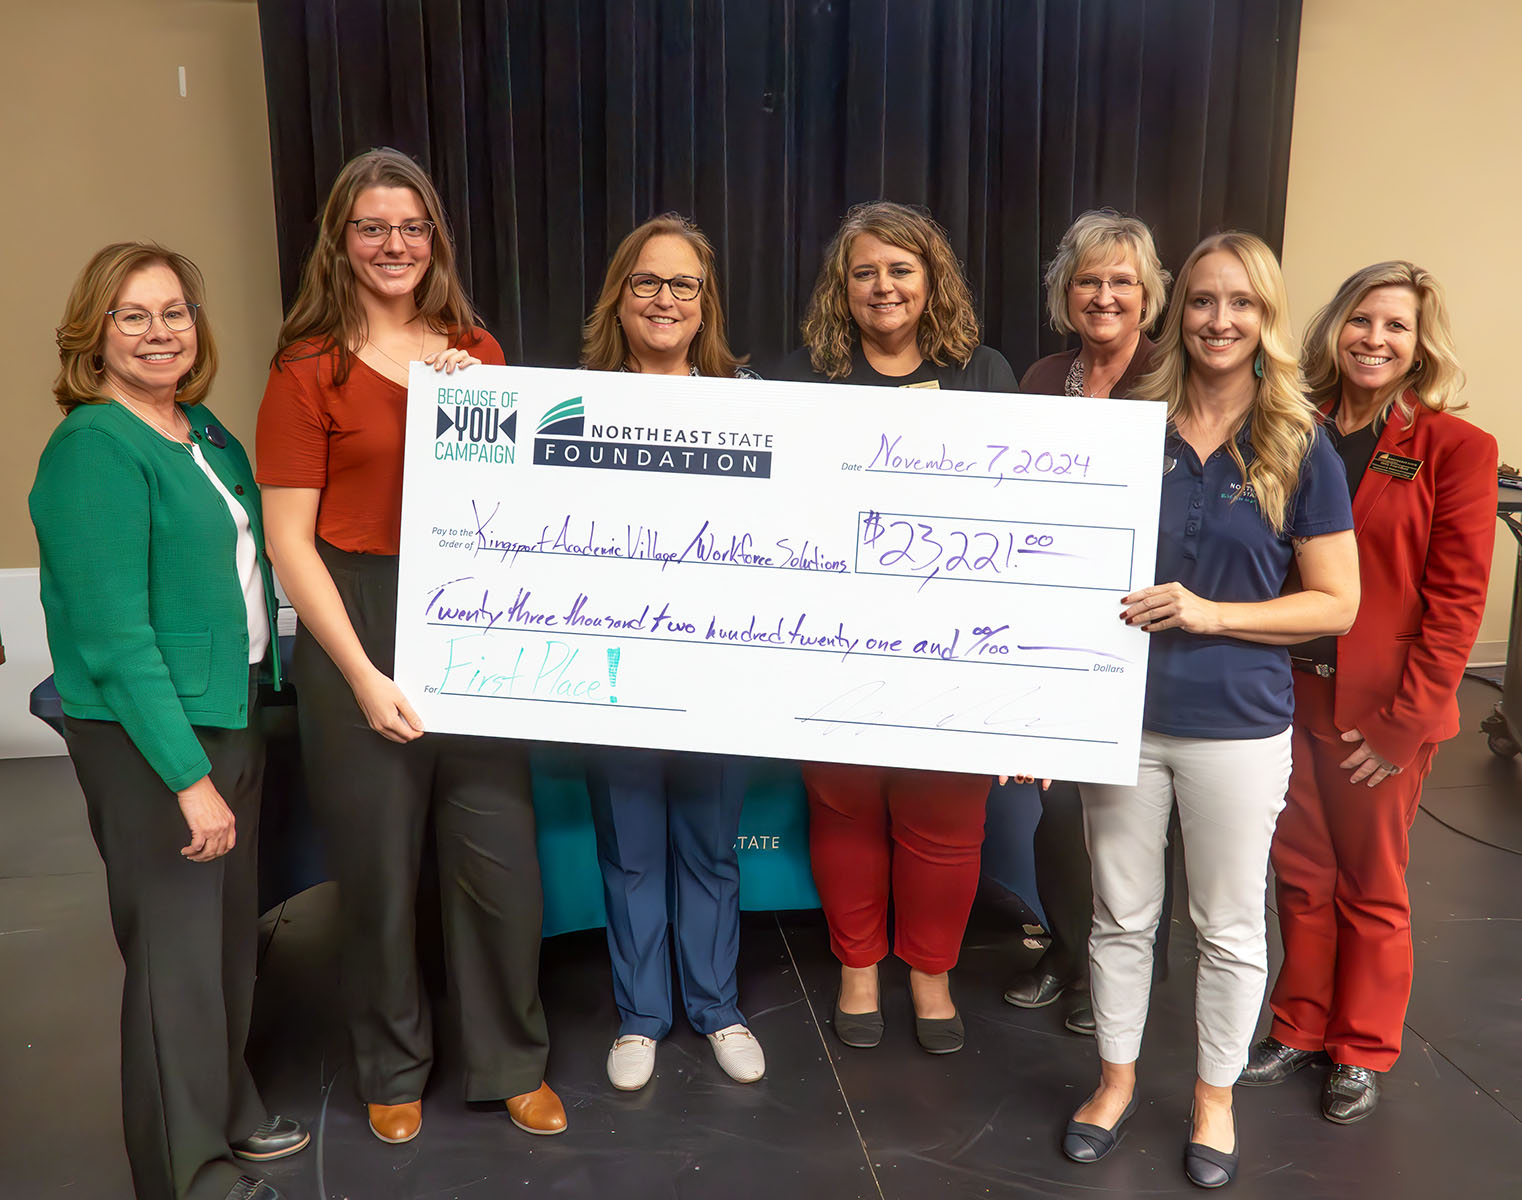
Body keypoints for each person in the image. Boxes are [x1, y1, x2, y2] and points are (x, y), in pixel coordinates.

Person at [256, 148, 562, 1145]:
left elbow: (518, 502)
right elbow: (287, 540)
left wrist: (476, 404)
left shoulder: (477, 349)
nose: (394, 245)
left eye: (411, 227)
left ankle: (510, 1060)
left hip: (466, 612)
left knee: (497, 860)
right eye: (372, 228)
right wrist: (360, 675)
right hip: (357, 616)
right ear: (341, 242)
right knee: (379, 872)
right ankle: (392, 1065)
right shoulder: (306, 367)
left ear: (435, 239)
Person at [1064, 232, 1360, 1188]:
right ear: (1175, 310)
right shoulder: (1128, 424)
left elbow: (1337, 602)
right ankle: (1112, 1083)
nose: (1218, 320)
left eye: (1240, 303)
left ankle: (1214, 1100)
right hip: (1122, 720)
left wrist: (1210, 612)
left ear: (1266, 317)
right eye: (1200, 301)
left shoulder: (1298, 440)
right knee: (1120, 916)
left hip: (1238, 725)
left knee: (1229, 926)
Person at [32, 243, 304, 1200]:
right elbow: (112, 636)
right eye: (133, 315)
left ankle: (224, 1107)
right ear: (92, 333)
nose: (160, 331)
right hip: (154, 739)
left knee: (226, 942)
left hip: (230, 711)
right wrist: (188, 779)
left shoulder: (204, 430)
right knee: (171, 964)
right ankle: (186, 1171)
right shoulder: (94, 447)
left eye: (175, 311)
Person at [1241, 263, 1497, 1124]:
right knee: (1300, 876)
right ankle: (1298, 1027)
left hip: (1381, 716)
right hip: (1285, 695)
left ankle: (1361, 1046)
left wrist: (1405, 725)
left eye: (1396, 326)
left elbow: (1457, 604)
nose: (1375, 339)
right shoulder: (1289, 426)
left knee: (1371, 883)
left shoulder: (1456, 450)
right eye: (1361, 320)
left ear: (1422, 344)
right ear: (1333, 328)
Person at [774, 201, 1014, 1054]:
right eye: (865, 270)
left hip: (955, 641)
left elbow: (1018, 515)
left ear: (931, 279)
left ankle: (932, 974)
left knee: (945, 818)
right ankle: (857, 968)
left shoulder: (983, 372)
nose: (883, 285)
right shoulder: (798, 377)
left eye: (900, 269)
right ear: (843, 287)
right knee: (844, 808)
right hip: (832, 637)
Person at [578, 213, 767, 1091]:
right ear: (620, 297)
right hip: (611, 663)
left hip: (718, 667)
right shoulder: (567, 401)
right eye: (646, 282)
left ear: (705, 304)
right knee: (630, 847)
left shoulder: (752, 402)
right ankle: (642, 1017)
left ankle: (718, 1007)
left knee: (709, 844)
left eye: (682, 284)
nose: (664, 299)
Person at [1006, 209, 1172, 1036]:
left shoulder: (1176, 379)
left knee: (1133, 812)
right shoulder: (1039, 379)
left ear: (1149, 296)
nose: (1104, 296)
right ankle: (1068, 951)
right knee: (1057, 811)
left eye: (1122, 282)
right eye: (1088, 281)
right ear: (1064, 293)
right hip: (1059, 624)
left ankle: (1121, 969)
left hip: (1150, 627)